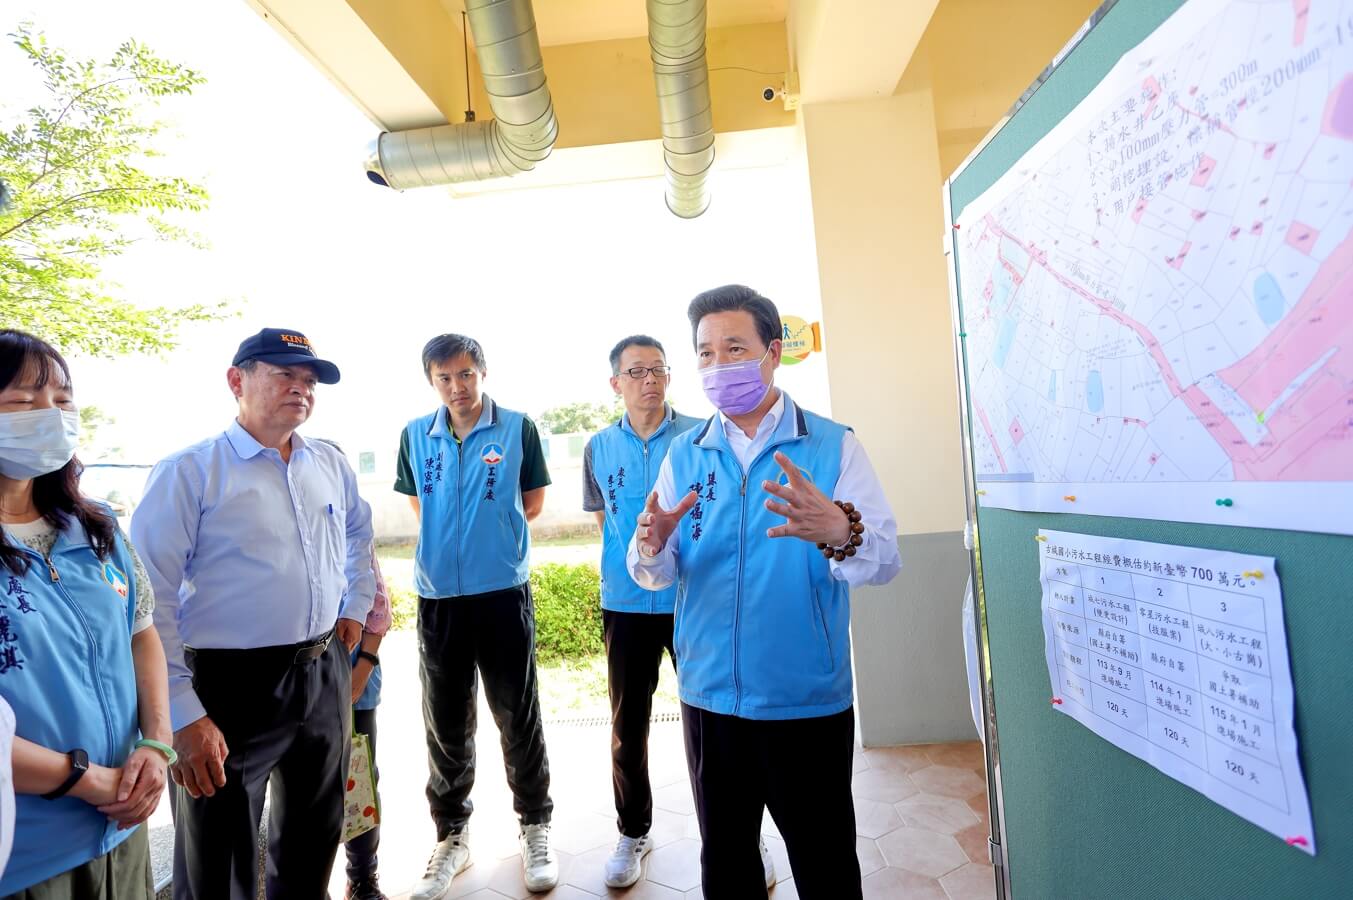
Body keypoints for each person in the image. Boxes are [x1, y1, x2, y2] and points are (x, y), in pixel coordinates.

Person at [628, 286, 901, 900]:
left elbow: (885, 560)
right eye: (704, 353)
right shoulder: (685, 452)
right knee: (726, 866)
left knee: (826, 864)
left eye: (734, 347)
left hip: (804, 700)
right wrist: (651, 545)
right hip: (710, 699)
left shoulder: (832, 445)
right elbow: (653, 572)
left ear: (772, 351)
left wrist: (841, 530)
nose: (717, 365)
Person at [131, 327, 376, 900]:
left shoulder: (329, 463)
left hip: (321, 672)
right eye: (284, 375)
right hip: (227, 685)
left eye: (309, 380)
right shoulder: (189, 472)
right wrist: (183, 714)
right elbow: (147, 601)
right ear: (237, 381)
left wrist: (356, 605)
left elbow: (359, 533)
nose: (301, 389)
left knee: (313, 838)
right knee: (219, 854)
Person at [0, 329, 173, 897]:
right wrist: (83, 779)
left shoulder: (94, 527)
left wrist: (155, 743)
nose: (49, 415)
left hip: (119, 828)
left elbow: (140, 633)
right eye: (22, 402)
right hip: (25, 854)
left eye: (62, 398)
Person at [396, 334, 557, 898]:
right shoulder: (416, 435)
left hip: (501, 594)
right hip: (438, 598)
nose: (457, 387)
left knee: (518, 713)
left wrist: (494, 541)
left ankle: (535, 826)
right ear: (432, 382)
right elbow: (421, 505)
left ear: (482, 372)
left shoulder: (517, 427)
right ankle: (452, 836)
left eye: (466, 374)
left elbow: (531, 502)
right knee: (444, 720)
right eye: (445, 378)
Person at [581, 336, 703, 888]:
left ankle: (737, 837)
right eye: (637, 371)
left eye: (658, 369)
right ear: (616, 383)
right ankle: (633, 831)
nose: (649, 379)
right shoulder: (598, 447)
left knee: (714, 725)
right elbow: (603, 522)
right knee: (628, 727)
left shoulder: (701, 435)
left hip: (694, 597)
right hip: (625, 604)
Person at [311, 439, 394, 900]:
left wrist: (363, 666)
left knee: (358, 776)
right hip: (301, 682)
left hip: (355, 676)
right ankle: (311, 881)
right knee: (308, 787)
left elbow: (378, 605)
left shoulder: (349, 528)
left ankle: (363, 877)